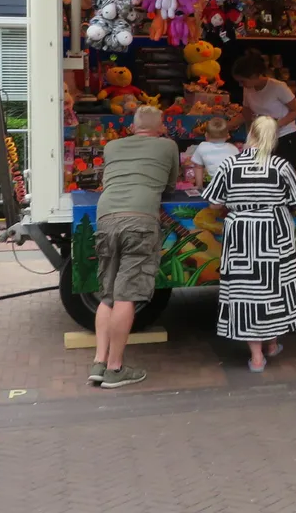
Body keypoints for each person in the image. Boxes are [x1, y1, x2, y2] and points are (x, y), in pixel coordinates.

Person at [203, 115, 296, 372]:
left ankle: (257, 356)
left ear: (250, 133)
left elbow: (214, 203)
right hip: (274, 233)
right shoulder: (281, 167)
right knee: (271, 289)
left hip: (242, 235)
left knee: (247, 292)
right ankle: (271, 345)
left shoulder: (229, 164)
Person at [90, 106, 178, 389]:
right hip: (140, 218)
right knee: (127, 295)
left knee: (108, 294)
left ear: (132, 125)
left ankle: (99, 362)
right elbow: (170, 184)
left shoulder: (112, 146)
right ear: (161, 126)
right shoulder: (168, 146)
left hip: (106, 216)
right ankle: (115, 369)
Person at [231, 50, 296, 172]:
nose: (240, 84)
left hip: (284, 137)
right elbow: (246, 114)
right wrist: (224, 127)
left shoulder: (278, 87)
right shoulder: (247, 89)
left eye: (242, 81)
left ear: (254, 76)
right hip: (261, 139)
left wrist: (273, 126)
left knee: (283, 174)